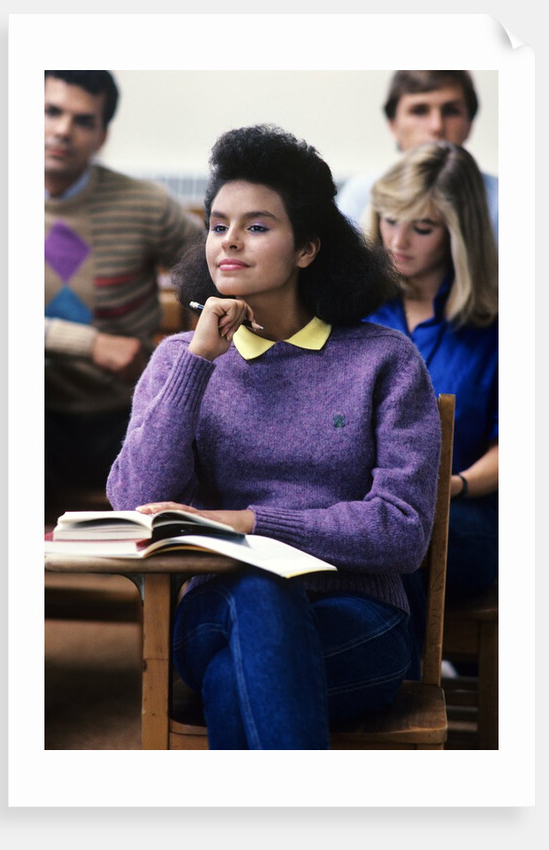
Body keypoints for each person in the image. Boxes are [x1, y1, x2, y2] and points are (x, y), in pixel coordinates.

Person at [106, 124, 442, 750]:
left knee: (238, 684)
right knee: (257, 590)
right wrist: (199, 362)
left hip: (359, 621)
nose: (229, 240)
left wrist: (248, 523)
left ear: (308, 248)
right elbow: (135, 502)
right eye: (217, 224)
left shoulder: (383, 360)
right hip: (214, 612)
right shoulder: (181, 358)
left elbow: (401, 530)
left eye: (257, 226)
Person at [44, 70, 203, 503]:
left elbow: (215, 270)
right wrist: (88, 343)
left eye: (83, 120)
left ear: (101, 135)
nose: (62, 130)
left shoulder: (143, 204)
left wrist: (192, 352)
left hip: (124, 412)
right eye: (50, 111)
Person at [365, 141, 498, 607]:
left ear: (459, 234)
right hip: (358, 504)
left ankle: (396, 671)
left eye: (422, 228)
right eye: (390, 220)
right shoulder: (351, 311)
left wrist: (451, 486)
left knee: (401, 537)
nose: (398, 241)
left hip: (459, 509)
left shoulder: (499, 322)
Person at [337, 71, 498, 240]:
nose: (437, 126)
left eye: (451, 111)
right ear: (393, 125)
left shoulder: (502, 201)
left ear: (470, 124)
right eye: (419, 111)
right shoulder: (362, 194)